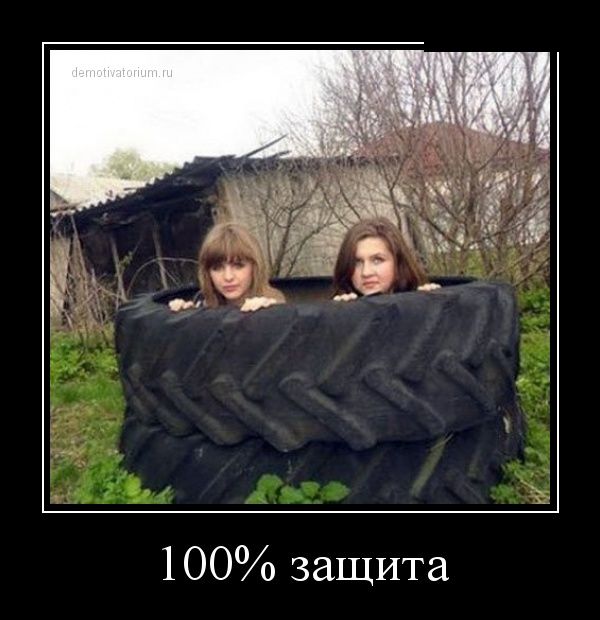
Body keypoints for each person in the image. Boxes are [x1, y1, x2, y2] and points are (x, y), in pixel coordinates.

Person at [168, 222, 285, 313]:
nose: (228, 277)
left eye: (238, 266)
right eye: (217, 268)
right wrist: (186, 315)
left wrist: (270, 313)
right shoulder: (203, 306)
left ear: (254, 267)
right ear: (207, 273)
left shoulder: (275, 304)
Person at [332, 217, 440, 302]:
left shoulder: (421, 299)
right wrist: (341, 314)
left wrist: (433, 303)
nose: (366, 272)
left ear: (398, 262)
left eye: (377, 260)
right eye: (357, 262)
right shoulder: (338, 307)